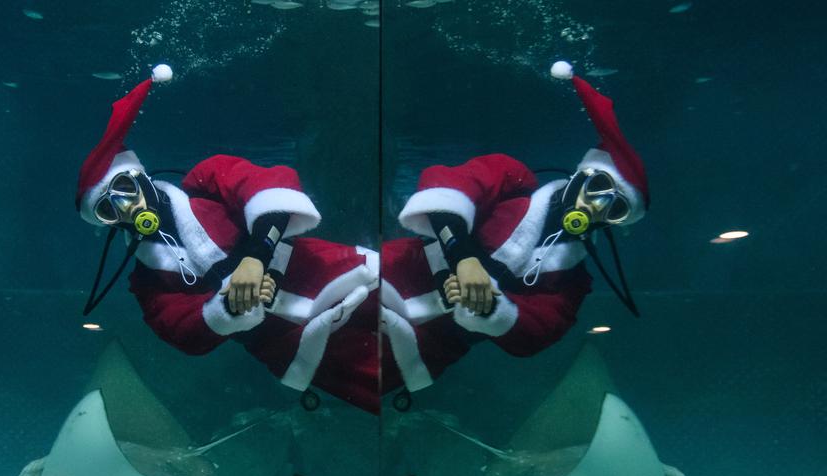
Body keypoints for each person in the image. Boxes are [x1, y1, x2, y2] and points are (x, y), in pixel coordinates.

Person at [75, 65, 380, 413]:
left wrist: (255, 257)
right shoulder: (147, 282)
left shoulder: (206, 179)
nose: (127, 208)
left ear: (140, 176)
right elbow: (181, 331)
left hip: (326, 270)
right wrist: (232, 306)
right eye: (109, 209)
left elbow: (270, 187)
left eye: (125, 190)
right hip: (292, 346)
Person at [381, 61, 650, 400]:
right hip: (394, 273)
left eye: (616, 208)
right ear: (583, 173)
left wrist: (487, 307)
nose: (596, 206)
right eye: (598, 186)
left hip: (426, 350)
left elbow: (539, 333)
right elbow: (445, 185)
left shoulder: (573, 282)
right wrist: (463, 259)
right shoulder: (514, 178)